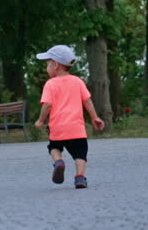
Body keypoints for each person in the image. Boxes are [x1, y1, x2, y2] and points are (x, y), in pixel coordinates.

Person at [34, 45, 105, 189]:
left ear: (55, 65)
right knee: (80, 153)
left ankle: (58, 162)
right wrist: (94, 117)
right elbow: (87, 101)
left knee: (54, 147)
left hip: (58, 128)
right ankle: (80, 178)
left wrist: (41, 120)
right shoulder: (78, 81)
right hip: (76, 129)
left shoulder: (50, 84)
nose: (46, 67)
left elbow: (47, 105)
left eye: (47, 64)